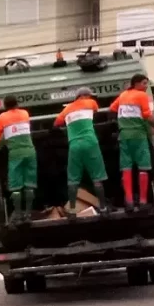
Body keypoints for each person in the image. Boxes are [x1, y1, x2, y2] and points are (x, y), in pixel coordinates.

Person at [54, 87, 109, 218]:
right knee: (97, 177)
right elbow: (95, 110)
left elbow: (57, 122)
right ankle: (103, 207)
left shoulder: (66, 109)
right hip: (91, 143)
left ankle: (72, 209)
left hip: (74, 145)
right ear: (84, 96)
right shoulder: (90, 103)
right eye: (90, 95)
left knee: (73, 179)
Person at [109, 73, 154, 212]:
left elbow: (112, 108)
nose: (146, 86)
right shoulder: (142, 96)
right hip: (139, 135)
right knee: (143, 167)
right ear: (136, 83)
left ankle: (129, 201)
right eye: (144, 83)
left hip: (124, 136)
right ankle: (142, 201)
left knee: (126, 168)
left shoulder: (123, 95)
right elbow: (148, 115)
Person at [0, 95, 37, 225]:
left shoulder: (3, 117)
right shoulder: (25, 113)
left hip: (16, 153)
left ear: (5, 106)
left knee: (16, 186)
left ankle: (18, 214)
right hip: (30, 151)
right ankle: (28, 214)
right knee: (29, 183)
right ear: (17, 104)